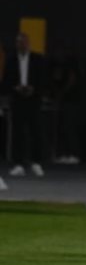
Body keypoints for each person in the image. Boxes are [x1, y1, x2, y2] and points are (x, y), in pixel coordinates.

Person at [4, 32, 46, 178]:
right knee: (17, 132)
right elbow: (6, 80)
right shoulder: (11, 60)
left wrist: (33, 89)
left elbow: (43, 79)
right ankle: (18, 164)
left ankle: (36, 162)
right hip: (17, 100)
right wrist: (15, 88)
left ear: (28, 43)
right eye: (18, 42)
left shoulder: (37, 59)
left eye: (23, 42)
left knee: (35, 131)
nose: (21, 45)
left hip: (33, 100)